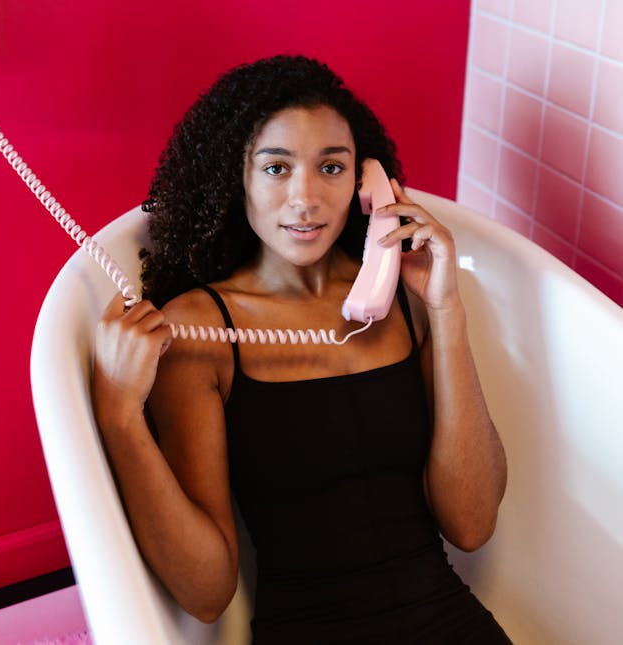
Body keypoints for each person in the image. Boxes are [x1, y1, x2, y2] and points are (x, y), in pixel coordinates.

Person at [93, 55, 510, 643]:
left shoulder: (405, 298)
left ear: (369, 185)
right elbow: (207, 594)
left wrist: (446, 310)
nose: (306, 198)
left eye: (332, 168)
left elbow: (472, 523)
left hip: (449, 621)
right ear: (234, 177)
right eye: (277, 168)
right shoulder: (199, 331)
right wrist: (117, 413)